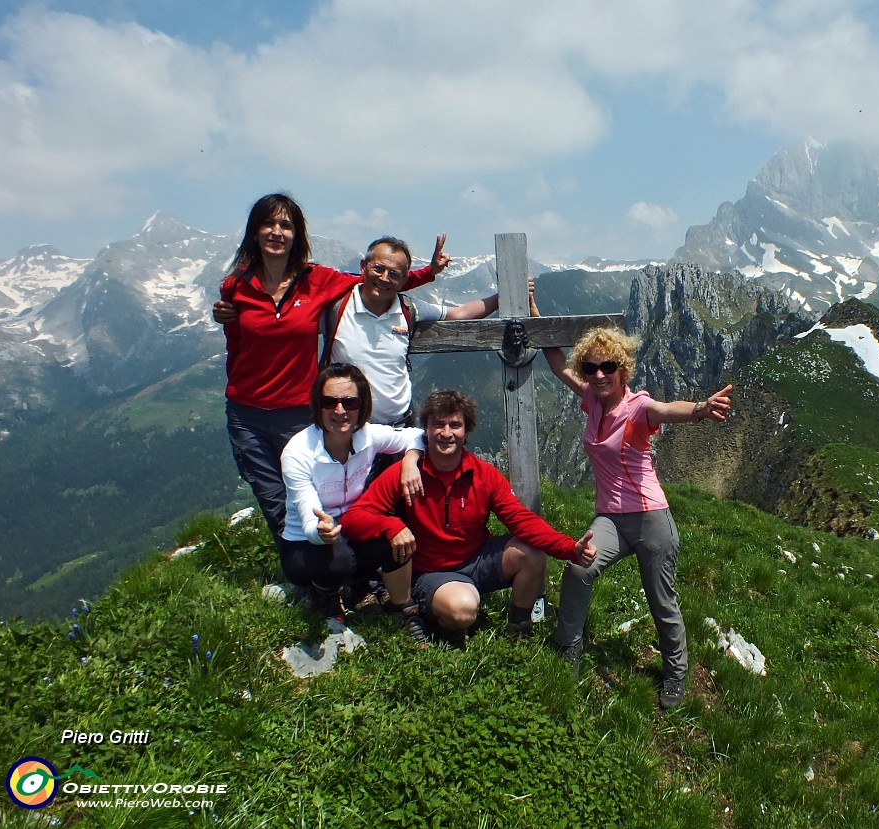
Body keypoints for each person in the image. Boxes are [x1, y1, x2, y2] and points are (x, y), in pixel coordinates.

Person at [531, 291, 732, 710]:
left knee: (661, 599)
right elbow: (554, 362)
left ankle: (675, 672)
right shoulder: (590, 399)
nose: (600, 374)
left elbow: (665, 409)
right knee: (577, 568)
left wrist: (699, 408)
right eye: (592, 367)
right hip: (610, 519)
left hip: (650, 519)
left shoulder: (637, 406)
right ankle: (568, 648)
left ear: (623, 369)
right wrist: (534, 310)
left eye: (609, 366)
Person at [216, 193, 449, 547]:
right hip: (246, 412)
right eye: (269, 223)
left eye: (286, 225)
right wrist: (223, 314)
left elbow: (378, 282)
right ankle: (304, 570)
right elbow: (236, 343)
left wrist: (427, 274)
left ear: (297, 235)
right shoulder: (235, 286)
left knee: (310, 492)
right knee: (271, 496)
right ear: (254, 231)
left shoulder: (318, 280)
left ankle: (329, 568)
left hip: (297, 408)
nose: (276, 232)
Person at [341, 390, 597, 647]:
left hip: (477, 558)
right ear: (426, 430)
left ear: (466, 431)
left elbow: (521, 520)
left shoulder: (483, 474)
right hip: (432, 571)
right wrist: (390, 525)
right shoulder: (406, 474)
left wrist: (569, 548)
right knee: (462, 610)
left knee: (531, 553)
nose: (446, 433)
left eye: (455, 425)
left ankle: (518, 626)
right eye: (438, 424)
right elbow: (354, 518)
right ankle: (433, 616)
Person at [321, 236, 500, 481]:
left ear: (405, 279)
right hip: (347, 430)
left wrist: (503, 297)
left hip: (398, 432)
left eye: (394, 274)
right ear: (363, 267)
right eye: (378, 268)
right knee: (351, 506)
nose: (384, 278)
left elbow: (459, 314)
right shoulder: (336, 306)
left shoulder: (408, 309)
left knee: (401, 504)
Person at [279, 363, 427, 618]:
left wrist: (411, 461)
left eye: (350, 402)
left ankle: (400, 608)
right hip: (305, 543)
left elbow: (416, 435)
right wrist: (320, 531)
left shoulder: (368, 436)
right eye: (329, 402)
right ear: (318, 405)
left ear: (362, 406)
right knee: (341, 560)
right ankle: (322, 594)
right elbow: (307, 518)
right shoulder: (298, 452)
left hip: (351, 526)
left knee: (397, 539)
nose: (340, 410)